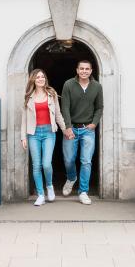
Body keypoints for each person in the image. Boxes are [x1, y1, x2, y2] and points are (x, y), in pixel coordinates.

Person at [59, 58, 102, 204]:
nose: (84, 71)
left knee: (86, 161)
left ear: (91, 71)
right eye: (81, 69)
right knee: (69, 159)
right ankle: (71, 178)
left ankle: (83, 191)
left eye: (87, 69)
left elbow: (99, 107)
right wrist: (68, 127)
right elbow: (64, 106)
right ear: (77, 70)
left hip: (88, 130)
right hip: (71, 128)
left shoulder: (97, 86)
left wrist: (94, 123)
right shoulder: (68, 84)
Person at [19, 67, 62, 206]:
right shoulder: (28, 97)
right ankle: (40, 195)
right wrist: (23, 137)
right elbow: (24, 119)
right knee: (36, 165)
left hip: (49, 132)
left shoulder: (52, 93)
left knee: (46, 164)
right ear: (33, 80)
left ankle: (49, 186)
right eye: (37, 77)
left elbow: (58, 114)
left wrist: (65, 129)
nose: (40, 79)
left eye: (42, 76)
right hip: (33, 133)